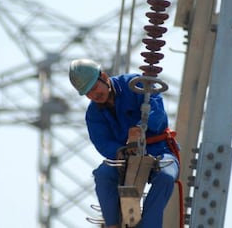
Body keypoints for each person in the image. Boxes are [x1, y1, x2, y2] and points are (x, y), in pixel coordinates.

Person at [69, 58, 179, 228]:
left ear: (104, 77)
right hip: (125, 158)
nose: (94, 95)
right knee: (103, 175)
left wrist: (139, 129)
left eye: (94, 87)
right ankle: (113, 224)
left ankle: (149, 225)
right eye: (88, 93)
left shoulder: (136, 85)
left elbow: (158, 116)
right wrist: (122, 151)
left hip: (159, 149)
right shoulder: (93, 114)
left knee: (166, 176)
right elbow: (102, 143)